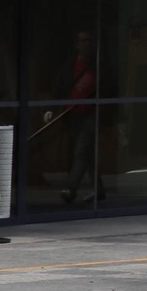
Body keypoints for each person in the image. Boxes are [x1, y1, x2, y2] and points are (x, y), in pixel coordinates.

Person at [60, 32, 98, 205]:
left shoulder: (97, 66)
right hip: (73, 115)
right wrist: (50, 108)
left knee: (81, 151)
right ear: (77, 45)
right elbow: (60, 86)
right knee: (87, 154)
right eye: (83, 41)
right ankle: (99, 189)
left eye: (89, 40)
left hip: (91, 115)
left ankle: (70, 188)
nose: (87, 44)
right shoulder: (70, 66)